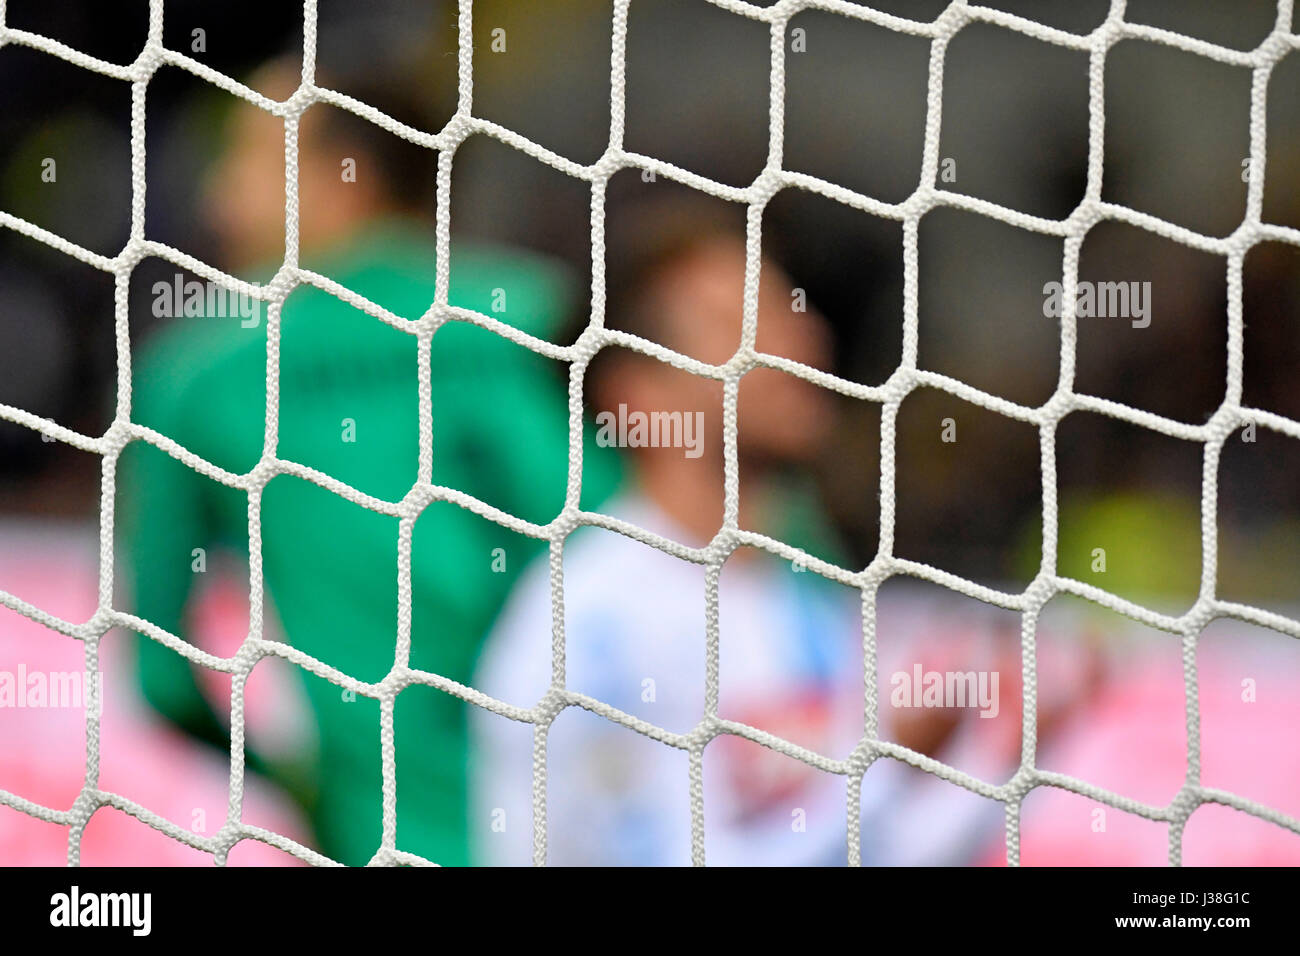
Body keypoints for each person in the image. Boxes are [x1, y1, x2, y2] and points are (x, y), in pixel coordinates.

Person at [121, 57, 621, 866]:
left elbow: (161, 672)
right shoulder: (557, 314)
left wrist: (309, 787)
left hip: (383, 833)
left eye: (243, 157)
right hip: (615, 821)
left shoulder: (201, 373)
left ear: (339, 178)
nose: (215, 194)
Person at [470, 198, 1014, 865]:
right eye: (738, 325)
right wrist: (883, 752)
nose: (797, 342)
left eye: (788, 310)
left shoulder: (800, 595)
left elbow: (878, 848)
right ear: (634, 395)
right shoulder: (586, 625)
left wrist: (1003, 760)